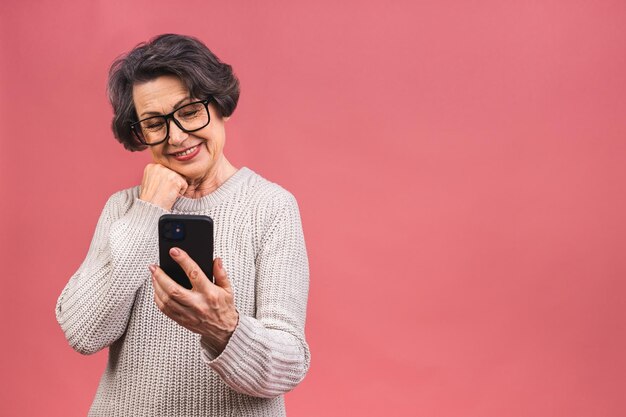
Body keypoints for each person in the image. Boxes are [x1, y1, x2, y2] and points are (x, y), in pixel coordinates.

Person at [55, 33, 310, 417]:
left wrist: (224, 328)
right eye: (155, 123)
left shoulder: (271, 207)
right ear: (139, 134)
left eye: (190, 112)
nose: (177, 137)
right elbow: (84, 333)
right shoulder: (124, 208)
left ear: (219, 104)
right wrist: (149, 209)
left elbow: (287, 366)